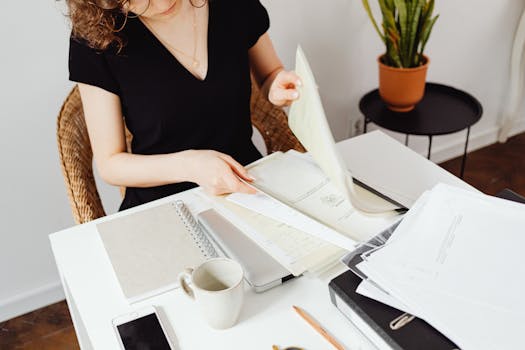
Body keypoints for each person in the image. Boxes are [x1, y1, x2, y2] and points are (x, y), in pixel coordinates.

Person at [66, 0, 301, 210]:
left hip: (246, 182)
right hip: (164, 204)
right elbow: (110, 164)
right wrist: (190, 165)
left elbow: (269, 74)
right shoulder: (96, 36)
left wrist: (277, 84)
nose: (162, 3)